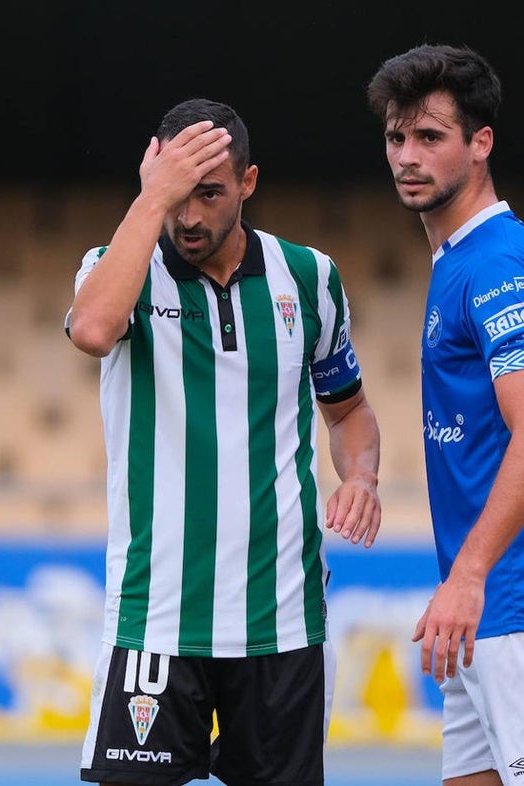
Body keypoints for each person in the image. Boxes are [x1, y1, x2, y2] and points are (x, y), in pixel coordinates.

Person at [66, 98, 382, 786]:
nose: (188, 216)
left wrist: (361, 476)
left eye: (208, 193)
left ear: (248, 182)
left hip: (282, 621)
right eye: (175, 194)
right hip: (155, 617)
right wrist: (151, 199)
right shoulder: (118, 267)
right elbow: (91, 331)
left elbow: (349, 410)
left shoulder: (309, 277)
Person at [366, 44, 524, 786]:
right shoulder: (463, 258)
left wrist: (469, 575)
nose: (407, 157)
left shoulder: (495, 263)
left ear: (481, 143)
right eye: (396, 137)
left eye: (430, 136)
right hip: (487, 604)